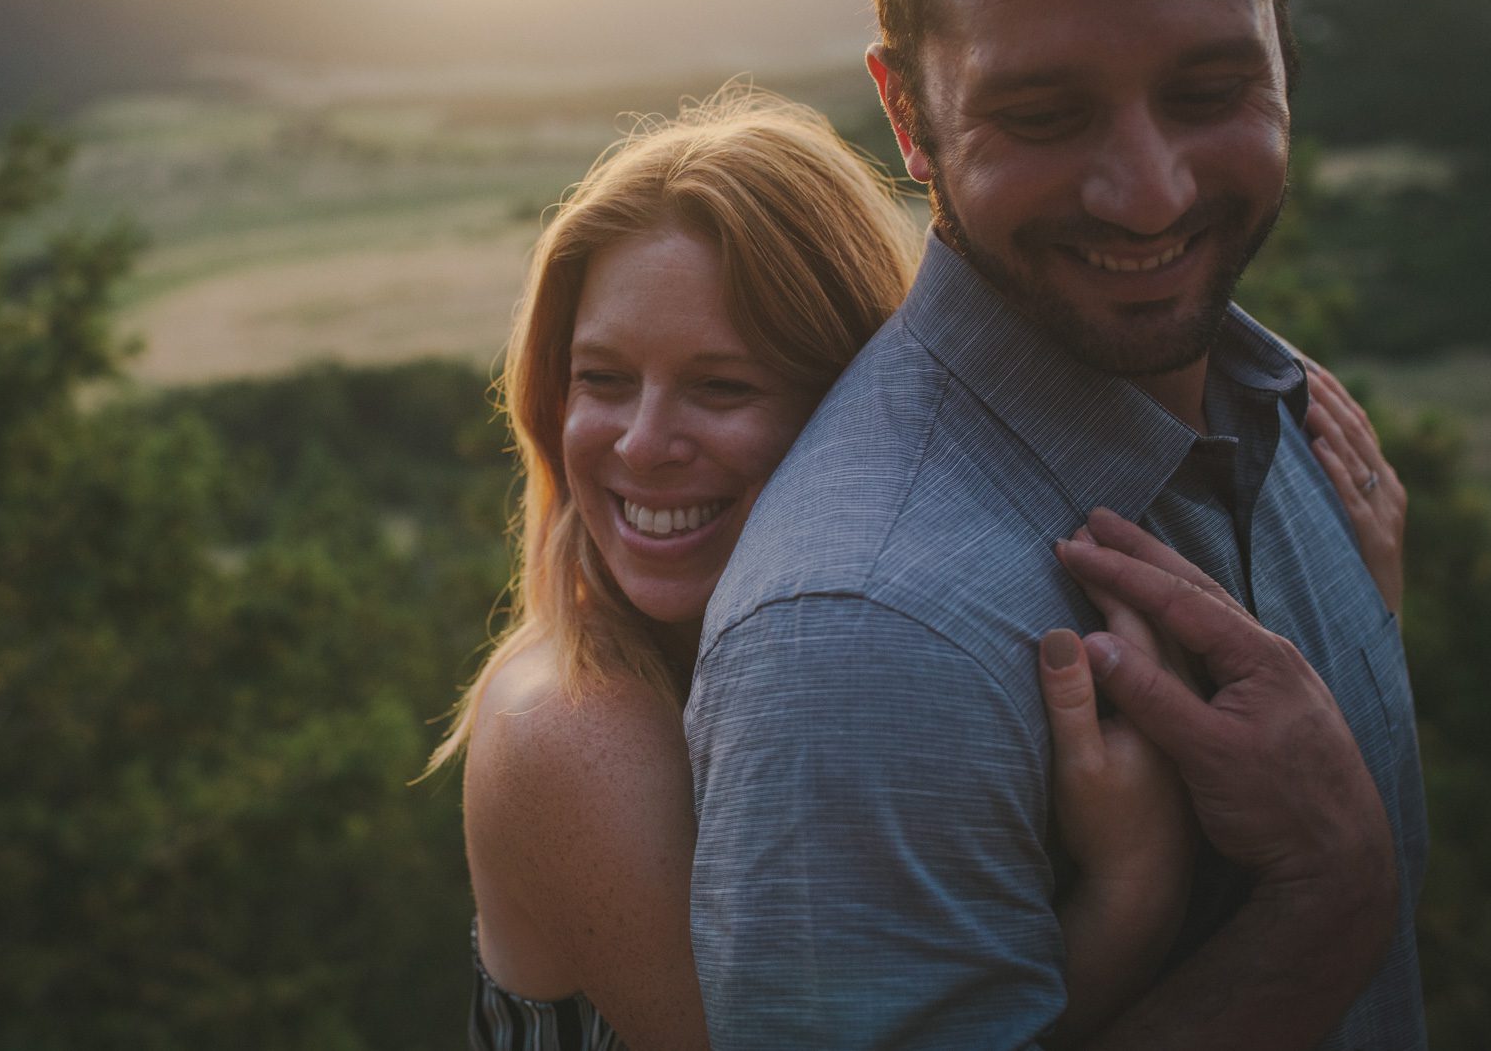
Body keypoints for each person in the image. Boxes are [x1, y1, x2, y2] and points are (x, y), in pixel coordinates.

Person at [428, 89, 1404, 1049]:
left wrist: (1329, 599)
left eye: (720, 387)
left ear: (848, 410)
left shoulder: (928, 627)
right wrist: (1131, 890)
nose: (642, 444)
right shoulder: (566, 725)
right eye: (602, 379)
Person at [685, 0, 1427, 1048]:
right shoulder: (863, 637)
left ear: (1283, 40)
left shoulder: (1296, 426)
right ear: (908, 114)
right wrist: (1325, 902)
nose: (1148, 195)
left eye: (1210, 86)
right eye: (1040, 114)